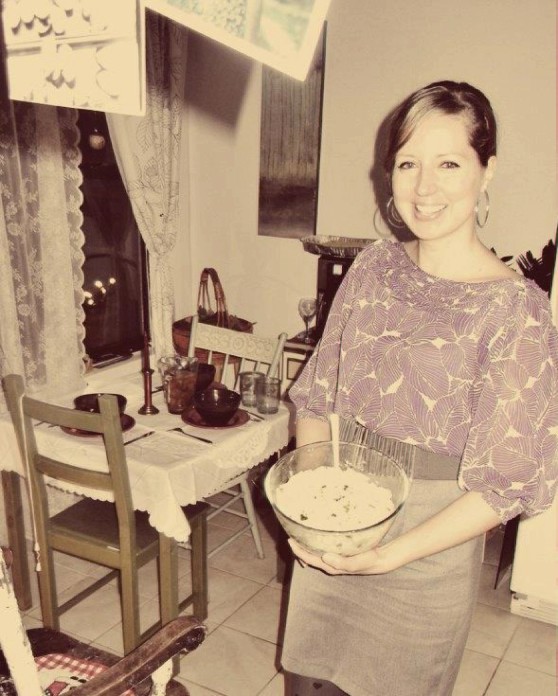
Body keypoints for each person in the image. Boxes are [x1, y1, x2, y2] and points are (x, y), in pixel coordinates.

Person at [280, 80, 558, 696]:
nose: (424, 187)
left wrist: (386, 554)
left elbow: (507, 484)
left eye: (449, 164)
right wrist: (314, 505)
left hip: (426, 560)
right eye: (408, 164)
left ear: (487, 170)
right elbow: (316, 397)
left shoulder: (517, 311)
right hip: (338, 525)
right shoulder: (373, 268)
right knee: (308, 686)